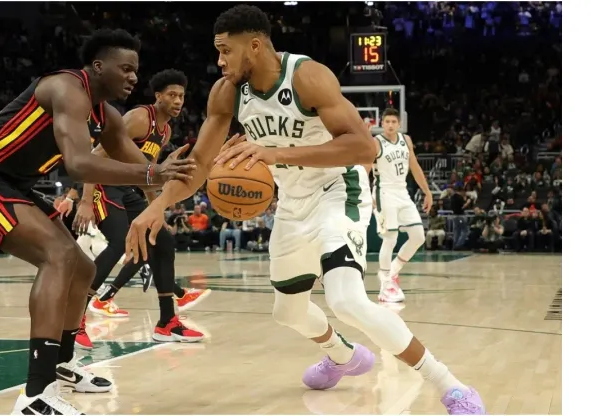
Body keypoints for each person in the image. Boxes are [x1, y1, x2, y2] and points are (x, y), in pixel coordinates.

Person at [125, 6, 485, 414]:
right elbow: (201, 166)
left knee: (347, 300)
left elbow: (364, 148)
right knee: (287, 311)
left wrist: (273, 153)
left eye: (226, 51)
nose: (219, 61)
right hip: (292, 203)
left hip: (338, 189)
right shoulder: (227, 93)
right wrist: (158, 205)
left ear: (255, 46)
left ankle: (451, 385)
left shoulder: (306, 77)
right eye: (218, 52)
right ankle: (344, 356)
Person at [0, 29, 195, 415]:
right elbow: (78, 163)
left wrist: (162, 197)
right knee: (58, 256)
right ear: (97, 66)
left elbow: (141, 166)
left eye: (135, 71)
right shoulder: (66, 88)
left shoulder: (106, 115)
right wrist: (153, 174)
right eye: (125, 68)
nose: (133, 78)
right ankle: (35, 394)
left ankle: (63, 364)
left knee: (83, 267)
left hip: (15, 184)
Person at [60, 69, 209, 344]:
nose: (178, 101)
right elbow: (96, 154)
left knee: (161, 240)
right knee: (119, 243)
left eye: (182, 96)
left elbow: (147, 175)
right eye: (172, 95)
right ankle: (75, 320)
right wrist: (84, 200)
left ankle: (167, 323)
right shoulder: (140, 118)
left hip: (129, 190)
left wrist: (156, 211)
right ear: (159, 96)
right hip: (104, 185)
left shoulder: (164, 131)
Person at [371, 108, 432, 303]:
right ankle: (385, 285)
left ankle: (393, 270)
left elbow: (414, 167)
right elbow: (364, 169)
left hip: (402, 193)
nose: (389, 125)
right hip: (383, 192)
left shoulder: (406, 141)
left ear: (399, 124)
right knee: (391, 237)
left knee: (418, 236)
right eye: (386, 121)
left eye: (393, 121)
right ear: (382, 123)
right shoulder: (375, 143)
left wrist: (427, 191)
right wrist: (366, 194)